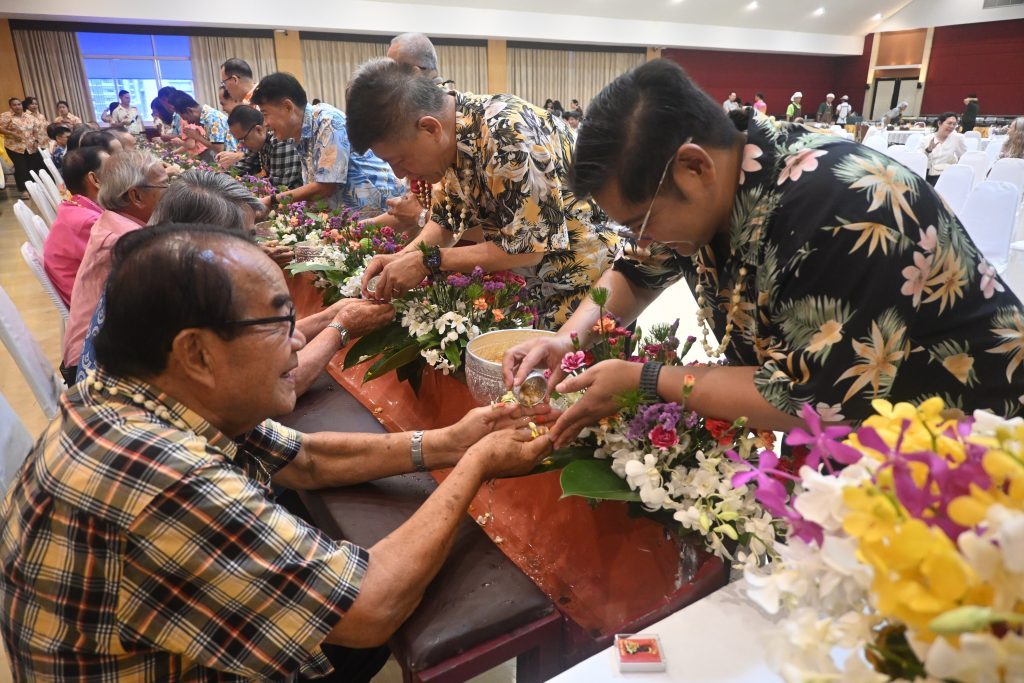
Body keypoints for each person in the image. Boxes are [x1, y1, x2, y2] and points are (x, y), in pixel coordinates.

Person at [0, 221, 554, 681]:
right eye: (277, 322)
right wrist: (477, 465)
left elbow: (307, 459)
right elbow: (369, 607)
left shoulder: (135, 393)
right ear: (196, 352)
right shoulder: (161, 475)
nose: (296, 341)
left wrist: (451, 442)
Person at [503, 58, 1024, 447]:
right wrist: (565, 336)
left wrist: (647, 380)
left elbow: (810, 398)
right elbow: (637, 272)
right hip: (870, 432)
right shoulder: (713, 192)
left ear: (694, 166)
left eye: (642, 222)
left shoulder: (845, 205)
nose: (640, 240)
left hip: (975, 440)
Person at [346, 58, 618, 329]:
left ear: (429, 128)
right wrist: (401, 259)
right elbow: (445, 221)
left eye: (401, 160)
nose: (399, 174)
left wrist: (427, 261)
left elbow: (526, 249)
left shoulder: (507, 134)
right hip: (537, 288)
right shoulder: (456, 130)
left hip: (586, 289)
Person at [63, 149, 169, 382]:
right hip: (92, 368)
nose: (170, 193)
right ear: (136, 196)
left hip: (99, 349)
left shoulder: (115, 220)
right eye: (165, 186)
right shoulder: (125, 242)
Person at [250, 72, 403, 216]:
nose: (265, 124)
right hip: (354, 216)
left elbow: (325, 187)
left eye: (265, 114)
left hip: (384, 210)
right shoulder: (301, 132)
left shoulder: (328, 121)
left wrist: (271, 201)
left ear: (288, 107)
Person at [42, 146, 108, 306]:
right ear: (95, 179)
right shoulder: (89, 222)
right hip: (95, 312)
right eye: (115, 168)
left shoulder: (75, 206)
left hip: (89, 297)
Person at [224, 104, 303, 189]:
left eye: (242, 139)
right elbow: (241, 168)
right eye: (238, 141)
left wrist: (244, 181)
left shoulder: (280, 141)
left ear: (258, 130)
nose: (241, 145)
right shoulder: (257, 143)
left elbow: (277, 188)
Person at [0, 97, 45, 198]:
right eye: (14, 105)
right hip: (14, 147)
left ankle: (33, 188)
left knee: (31, 167)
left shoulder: (28, 116)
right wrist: (11, 133)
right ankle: (24, 190)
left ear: (22, 105)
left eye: (19, 104)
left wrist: (36, 141)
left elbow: (36, 130)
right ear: (10, 106)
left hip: (30, 146)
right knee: (21, 168)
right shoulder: (6, 116)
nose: (17, 106)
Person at [170, 91, 237, 154]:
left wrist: (198, 137)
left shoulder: (211, 118)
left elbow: (219, 148)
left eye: (186, 118)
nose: (188, 122)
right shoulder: (206, 116)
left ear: (189, 110)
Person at [921, 112, 967, 186]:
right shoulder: (926, 139)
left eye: (954, 124)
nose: (952, 126)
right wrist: (928, 150)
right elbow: (919, 159)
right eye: (949, 123)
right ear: (939, 123)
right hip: (928, 174)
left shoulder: (957, 138)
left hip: (947, 174)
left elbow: (964, 157)